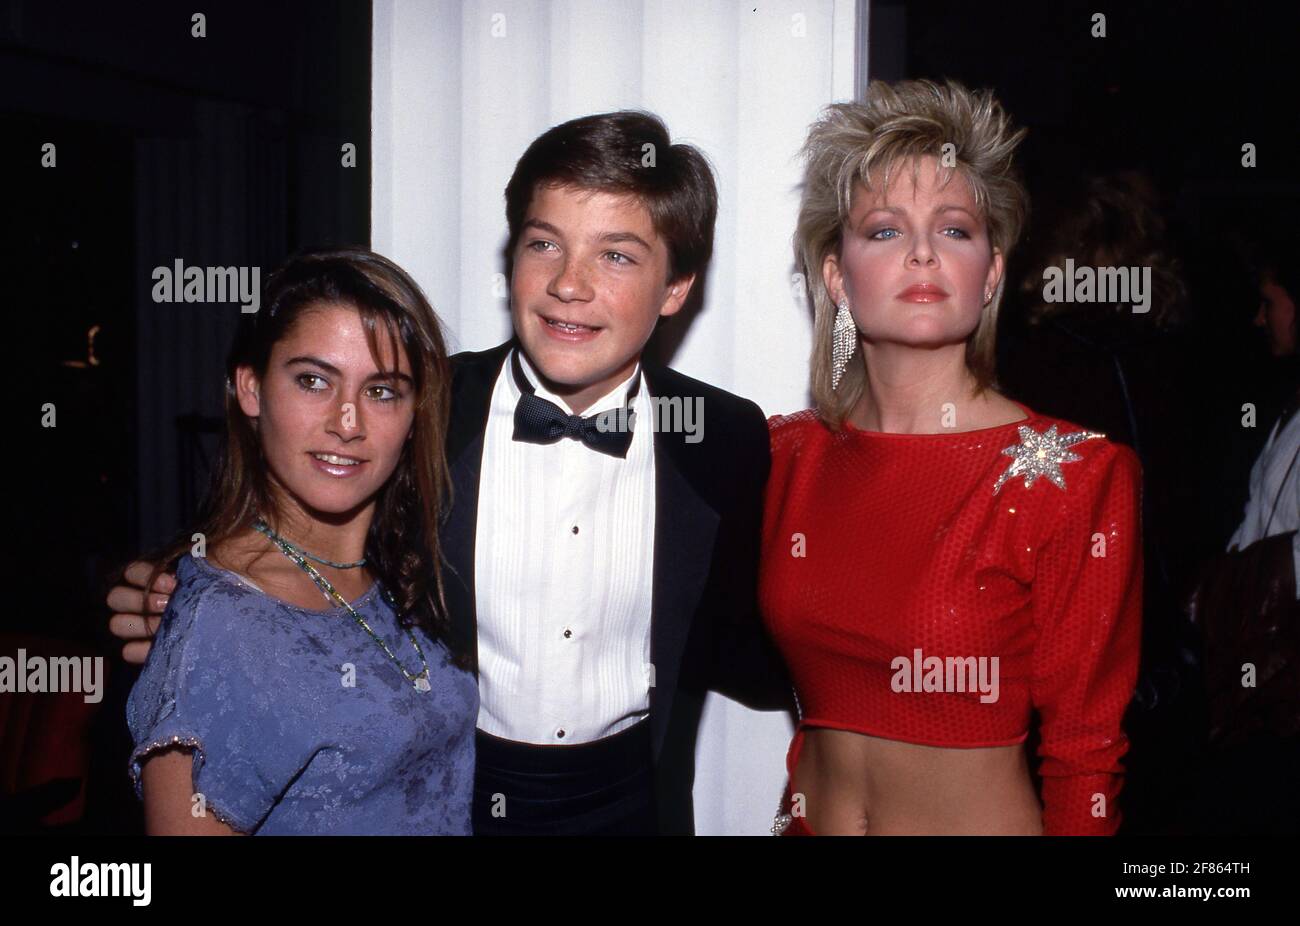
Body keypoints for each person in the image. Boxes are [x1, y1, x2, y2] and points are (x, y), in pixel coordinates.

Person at [110, 112, 791, 835]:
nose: (569, 284)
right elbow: (303, 531)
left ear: (677, 285)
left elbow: (749, 643)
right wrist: (177, 586)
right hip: (456, 797)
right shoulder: (423, 403)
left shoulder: (721, 436)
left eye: (616, 256)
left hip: (635, 808)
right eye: (544, 244)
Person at [760, 79, 1143, 835]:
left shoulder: (1071, 475)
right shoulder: (785, 457)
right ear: (836, 275)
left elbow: (1085, 756)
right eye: (884, 231)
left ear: (992, 271)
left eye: (956, 229)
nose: (925, 253)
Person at [123, 247, 478, 834]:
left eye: (383, 391)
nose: (347, 421)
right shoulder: (224, 621)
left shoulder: (403, 568)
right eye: (313, 380)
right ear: (252, 389)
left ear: (415, 413)